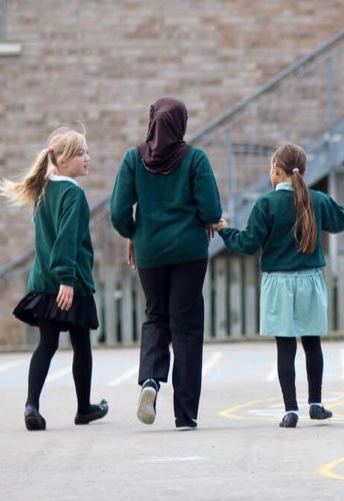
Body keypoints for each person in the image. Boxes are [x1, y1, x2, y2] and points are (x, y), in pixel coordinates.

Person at [215, 143, 344, 428]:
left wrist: (224, 230)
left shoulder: (266, 204)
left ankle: (291, 410)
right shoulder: (316, 200)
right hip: (310, 281)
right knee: (312, 343)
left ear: (276, 170)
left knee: (285, 348)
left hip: (278, 283)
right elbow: (343, 221)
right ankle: (316, 403)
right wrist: (322, 200)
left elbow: (248, 243)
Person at [109, 97, 223, 431]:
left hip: (150, 254)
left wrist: (134, 233)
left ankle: (150, 381)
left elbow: (117, 213)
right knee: (186, 328)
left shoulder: (133, 158)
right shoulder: (195, 159)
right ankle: (185, 415)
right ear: (181, 124)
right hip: (189, 253)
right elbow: (212, 211)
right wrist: (205, 218)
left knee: (156, 316)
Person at [0, 125, 109, 431]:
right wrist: (67, 279)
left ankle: (31, 405)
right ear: (64, 160)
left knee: (46, 344)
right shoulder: (73, 194)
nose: (89, 157)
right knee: (81, 345)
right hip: (68, 282)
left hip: (43, 282)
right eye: (82, 153)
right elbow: (66, 238)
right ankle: (84, 409)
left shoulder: (44, 191)